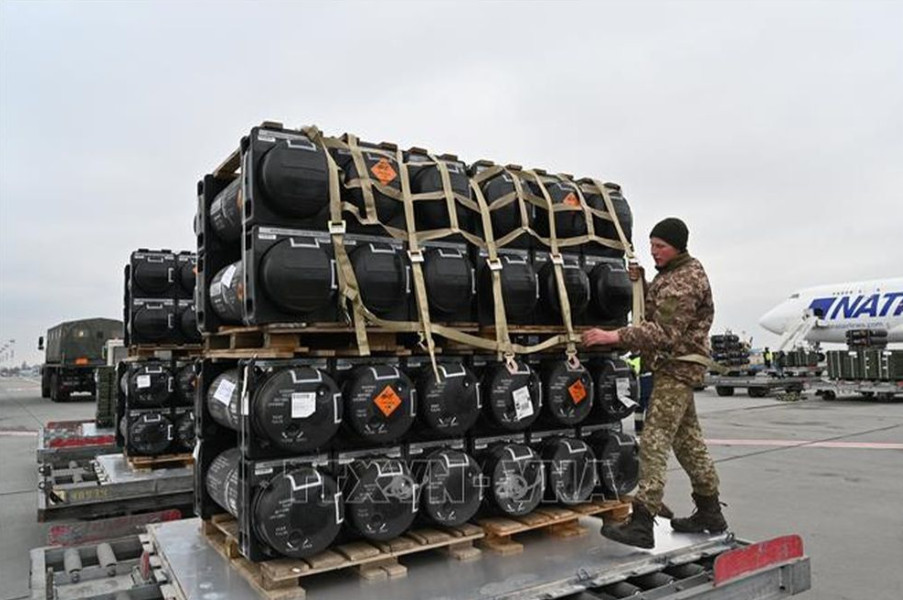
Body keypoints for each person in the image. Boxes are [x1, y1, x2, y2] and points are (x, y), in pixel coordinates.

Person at [582, 217, 727, 549]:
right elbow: (662, 311)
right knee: (688, 443)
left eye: (660, 246)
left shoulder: (684, 280)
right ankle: (710, 511)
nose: (654, 252)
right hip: (675, 367)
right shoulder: (672, 275)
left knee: (654, 440)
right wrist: (644, 283)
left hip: (676, 368)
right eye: (651, 246)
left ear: (677, 246)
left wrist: (612, 335)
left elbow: (664, 332)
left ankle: (643, 521)